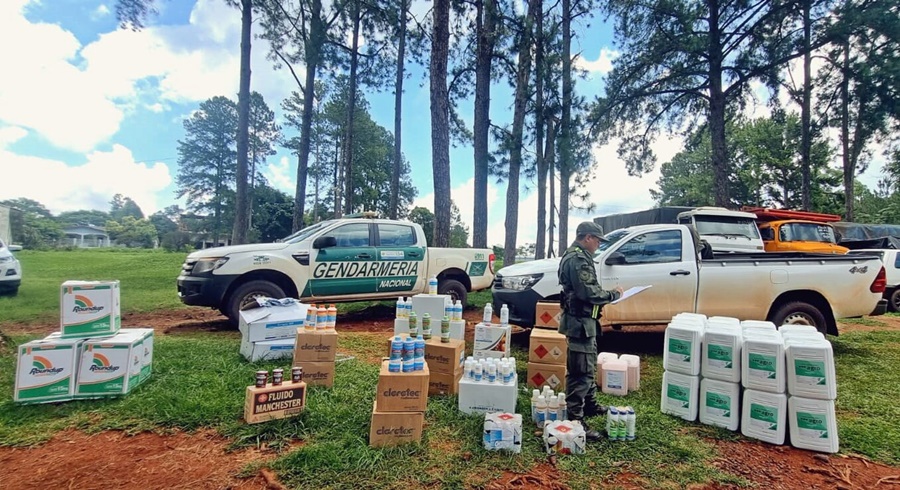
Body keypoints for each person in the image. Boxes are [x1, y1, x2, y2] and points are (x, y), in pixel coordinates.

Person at [558, 221, 623, 441]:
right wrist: (613, 295)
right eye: (597, 240)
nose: (598, 244)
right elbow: (588, 292)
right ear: (587, 238)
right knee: (580, 371)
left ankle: (590, 405)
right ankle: (575, 419)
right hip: (579, 323)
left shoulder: (579, 255)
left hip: (586, 321)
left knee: (588, 364)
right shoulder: (577, 258)